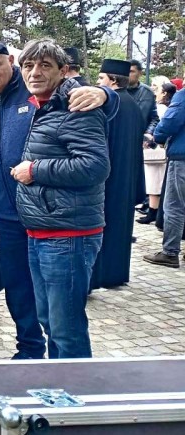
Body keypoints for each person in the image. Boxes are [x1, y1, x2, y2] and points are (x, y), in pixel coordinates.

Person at [0, 40, 113, 359]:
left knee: (62, 318)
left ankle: (68, 380)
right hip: (10, 217)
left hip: (56, 220)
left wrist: (107, 93)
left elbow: (91, 115)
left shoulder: (45, 96)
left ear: (11, 62)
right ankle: (31, 352)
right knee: (22, 292)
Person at [12, 39, 110, 359]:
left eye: (45, 66)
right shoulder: (43, 105)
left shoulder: (76, 106)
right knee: (50, 321)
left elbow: (94, 166)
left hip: (68, 236)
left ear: (64, 70)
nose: (35, 72)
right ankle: (59, 386)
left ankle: (76, 397)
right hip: (43, 231)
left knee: (66, 328)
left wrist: (35, 170)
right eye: (28, 66)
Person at [90, 59, 145, 289]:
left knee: (105, 225)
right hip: (128, 175)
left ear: (112, 80)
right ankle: (117, 272)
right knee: (122, 226)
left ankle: (100, 275)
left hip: (110, 175)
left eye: (101, 78)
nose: (98, 82)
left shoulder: (109, 105)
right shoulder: (132, 103)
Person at [143, 83, 185, 268]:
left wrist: (157, 137)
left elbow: (170, 121)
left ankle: (170, 252)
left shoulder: (183, 95)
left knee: (174, 206)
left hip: (182, 156)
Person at [138, 77, 174, 223]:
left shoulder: (162, 108)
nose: (153, 89)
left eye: (156, 87)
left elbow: (161, 126)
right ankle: (152, 210)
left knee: (155, 181)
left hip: (156, 149)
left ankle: (153, 211)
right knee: (153, 181)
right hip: (155, 148)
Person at [127, 59, 159, 135]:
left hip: (139, 138)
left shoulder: (148, 93)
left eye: (131, 71)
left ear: (140, 73)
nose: (127, 74)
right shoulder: (116, 91)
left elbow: (154, 118)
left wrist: (148, 133)